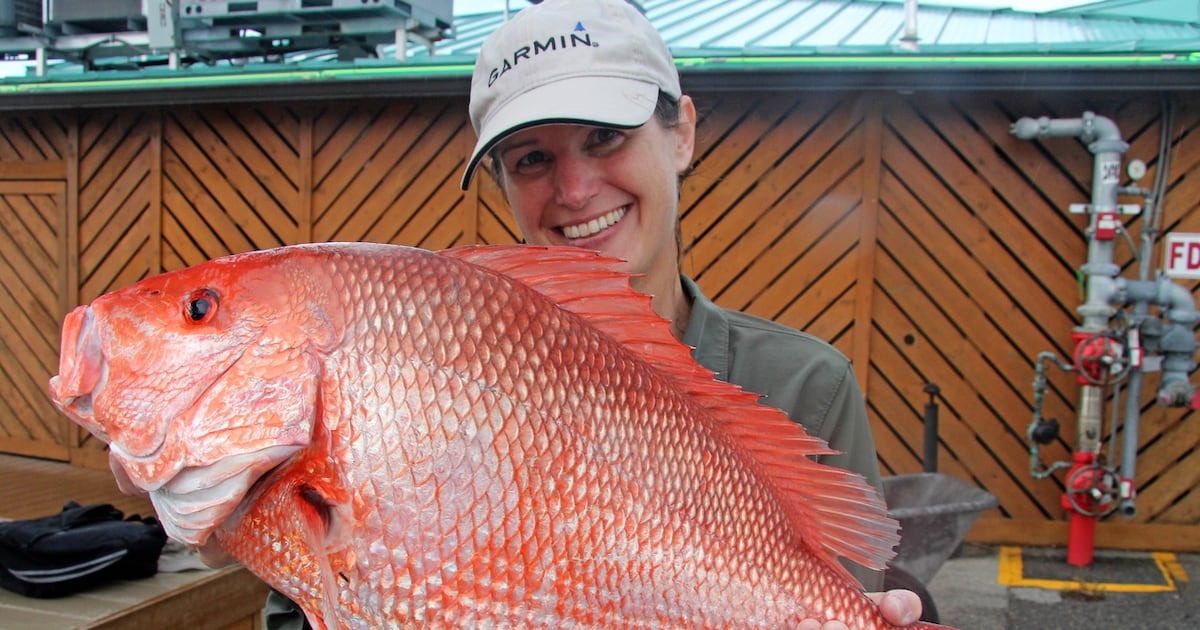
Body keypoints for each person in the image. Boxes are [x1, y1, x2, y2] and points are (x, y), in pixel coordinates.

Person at [262, 0, 925, 627]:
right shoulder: (423, 392)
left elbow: (845, 589)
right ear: (501, 184)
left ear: (682, 134)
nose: (575, 190)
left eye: (605, 137)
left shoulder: (808, 386)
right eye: (532, 159)